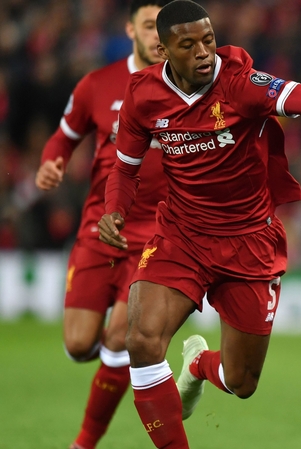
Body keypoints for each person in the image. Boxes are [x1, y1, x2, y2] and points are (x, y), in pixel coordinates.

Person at [96, 1, 301, 448]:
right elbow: (125, 168)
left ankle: (198, 367)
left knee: (241, 381)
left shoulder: (241, 85)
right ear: (164, 50)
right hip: (180, 237)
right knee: (143, 340)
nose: (204, 52)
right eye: (188, 45)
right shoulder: (143, 95)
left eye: (208, 39)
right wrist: (114, 210)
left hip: (248, 243)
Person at [34, 2, 173, 448]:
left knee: (122, 336)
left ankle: (83, 443)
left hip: (155, 237)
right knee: (79, 346)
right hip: (99, 229)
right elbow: (64, 136)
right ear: (130, 28)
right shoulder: (97, 84)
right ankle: (118, 362)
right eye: (150, 26)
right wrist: (50, 164)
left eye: (165, 28)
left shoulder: (189, 88)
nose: (158, 36)